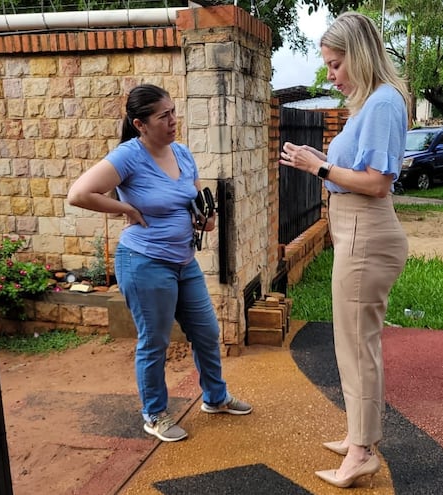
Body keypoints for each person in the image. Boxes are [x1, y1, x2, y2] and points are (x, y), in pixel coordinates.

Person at [68, 84, 252, 442]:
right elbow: (79, 193)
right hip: (145, 262)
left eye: (173, 112)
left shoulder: (181, 153)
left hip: (184, 261)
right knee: (155, 342)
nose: (172, 121)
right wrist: (126, 208)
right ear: (140, 124)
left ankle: (215, 398)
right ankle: (154, 415)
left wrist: (204, 219)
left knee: (207, 332)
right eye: (163, 116)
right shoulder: (128, 156)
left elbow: (195, 198)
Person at [279, 12, 409, 489]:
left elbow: (376, 183)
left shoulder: (382, 104)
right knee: (353, 344)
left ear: (358, 54)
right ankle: (359, 436)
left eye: (335, 64)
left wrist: (319, 168)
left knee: (358, 347)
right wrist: (319, 164)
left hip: (368, 234)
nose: (330, 75)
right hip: (358, 232)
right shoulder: (370, 102)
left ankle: (361, 452)